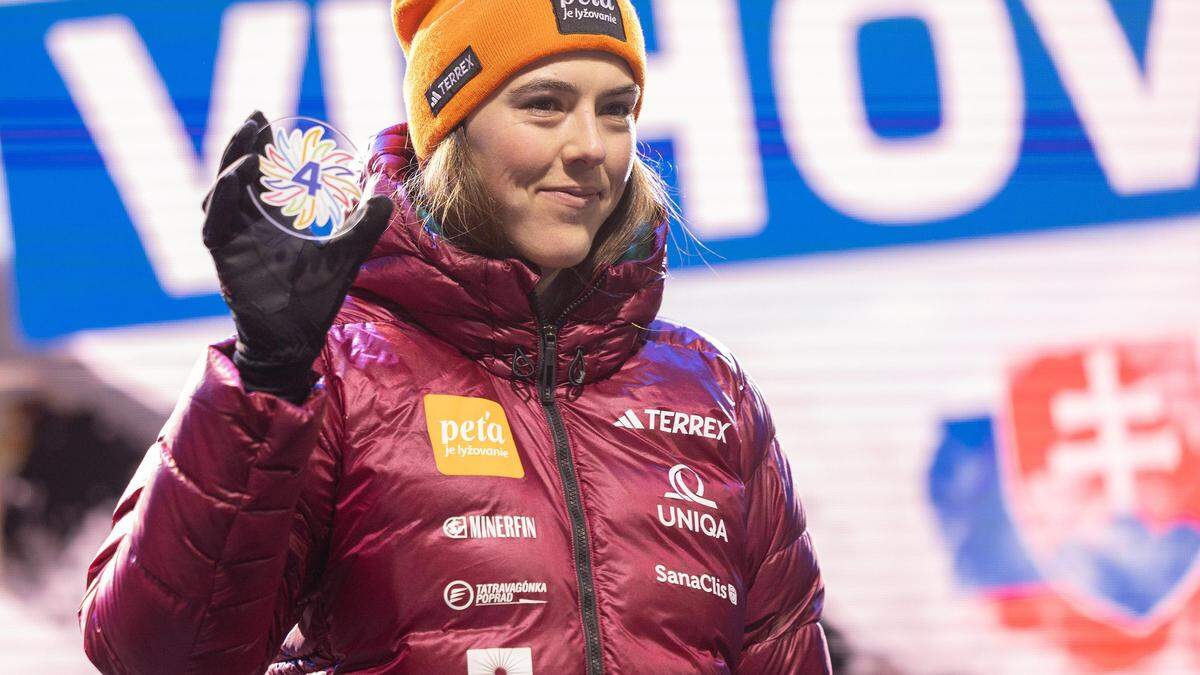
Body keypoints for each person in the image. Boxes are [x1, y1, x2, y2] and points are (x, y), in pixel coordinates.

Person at [78, 1, 830, 672]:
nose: (592, 146)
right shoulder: (331, 373)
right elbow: (150, 655)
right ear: (451, 131)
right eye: (545, 104)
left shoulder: (709, 390)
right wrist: (263, 382)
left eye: (617, 109)